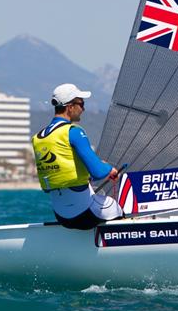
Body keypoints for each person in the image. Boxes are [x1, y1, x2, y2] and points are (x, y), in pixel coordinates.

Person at [32, 83, 123, 230]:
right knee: (116, 207)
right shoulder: (73, 131)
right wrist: (109, 169)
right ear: (70, 107)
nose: (84, 108)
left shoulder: (38, 138)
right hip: (84, 214)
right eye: (81, 104)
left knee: (95, 196)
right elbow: (99, 172)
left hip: (62, 217)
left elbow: (65, 171)